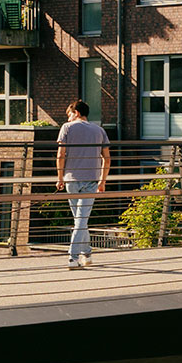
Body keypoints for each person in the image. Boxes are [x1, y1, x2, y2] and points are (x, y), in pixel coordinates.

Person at [55, 100, 110, 269]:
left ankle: (72, 257)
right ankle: (86, 252)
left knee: (80, 219)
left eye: (69, 114)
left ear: (76, 112)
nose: (69, 118)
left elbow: (60, 154)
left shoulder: (67, 128)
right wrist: (102, 181)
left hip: (71, 179)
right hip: (92, 180)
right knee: (81, 219)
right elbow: (107, 158)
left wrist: (60, 177)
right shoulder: (99, 130)